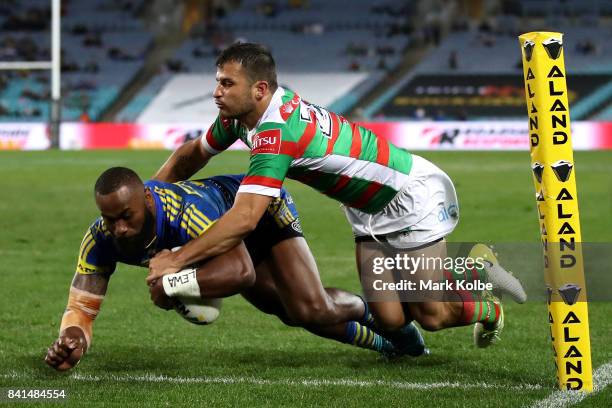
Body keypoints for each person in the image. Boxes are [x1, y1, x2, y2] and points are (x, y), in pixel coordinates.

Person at [147, 42, 526, 349]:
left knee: (432, 315)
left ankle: (482, 288)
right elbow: (192, 154)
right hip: (366, 211)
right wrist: (152, 201)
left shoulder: (277, 133)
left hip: (408, 198)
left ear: (259, 90)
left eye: (227, 84)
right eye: (218, 82)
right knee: (390, 319)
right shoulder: (242, 117)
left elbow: (245, 217)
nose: (216, 93)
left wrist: (177, 258)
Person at [45, 168, 427, 371]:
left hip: (260, 209)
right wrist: (75, 338)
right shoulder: (100, 239)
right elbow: (82, 306)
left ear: (146, 198)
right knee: (283, 309)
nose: (119, 228)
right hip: (223, 237)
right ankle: (386, 343)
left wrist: (173, 283)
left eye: (126, 216)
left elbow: (240, 271)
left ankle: (379, 316)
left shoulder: (184, 211)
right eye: (109, 219)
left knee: (309, 307)